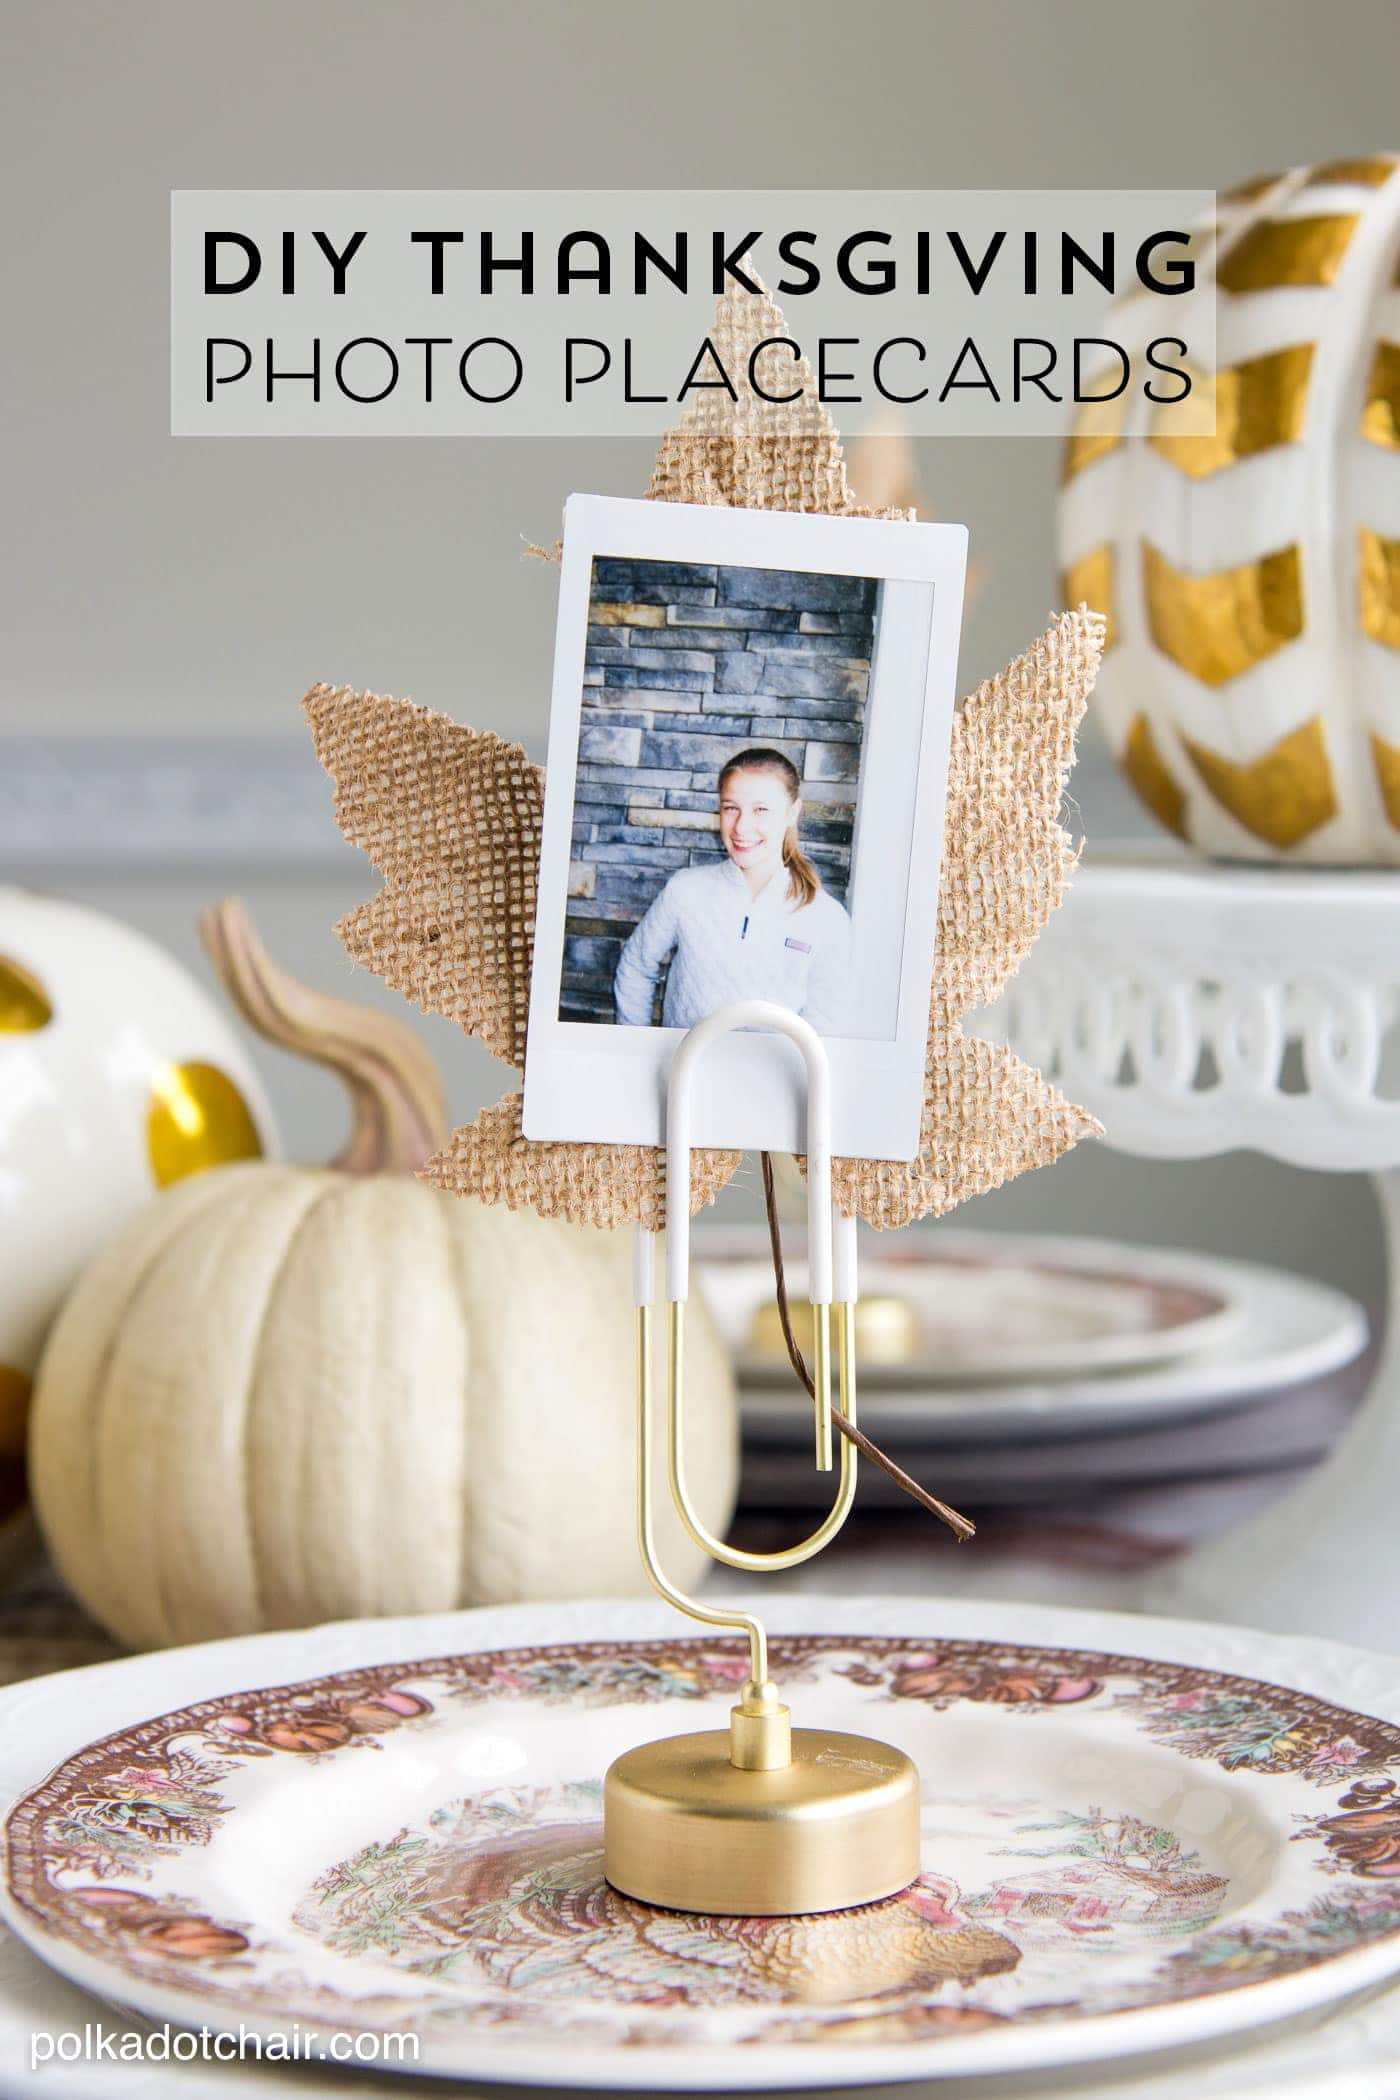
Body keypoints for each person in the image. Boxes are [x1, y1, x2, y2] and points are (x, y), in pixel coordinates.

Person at [614, 747, 853, 1034]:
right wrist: (638, 1048)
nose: (742, 827)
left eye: (761, 810)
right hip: (681, 1072)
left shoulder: (827, 917)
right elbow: (635, 967)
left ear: (792, 812)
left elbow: (824, 1022)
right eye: (731, 808)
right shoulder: (685, 890)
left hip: (771, 1077)